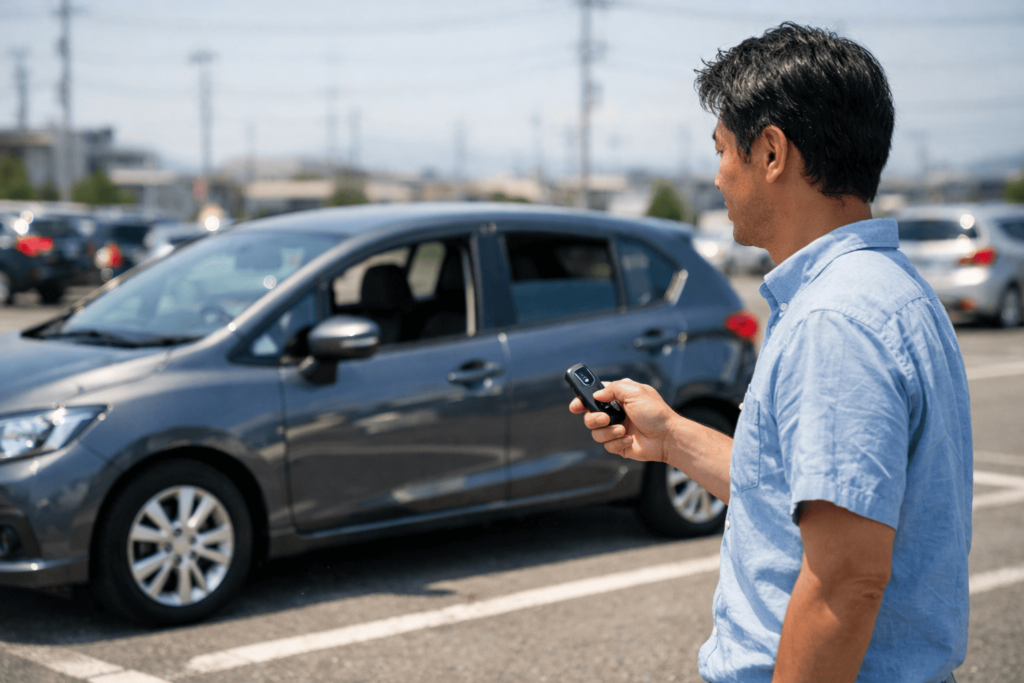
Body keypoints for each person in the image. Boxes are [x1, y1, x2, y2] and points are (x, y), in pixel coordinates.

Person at [570, 23, 971, 683]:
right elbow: (794, 494)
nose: (718, 176)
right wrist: (670, 437)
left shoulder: (834, 321)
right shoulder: (886, 289)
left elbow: (846, 580)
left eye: (723, 149)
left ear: (772, 152)